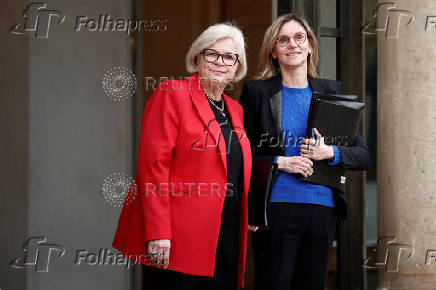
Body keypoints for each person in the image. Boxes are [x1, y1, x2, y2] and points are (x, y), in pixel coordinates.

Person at [113, 23, 253, 290]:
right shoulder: (172, 94)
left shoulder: (235, 110)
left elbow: (236, 167)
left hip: (225, 238)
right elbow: (153, 168)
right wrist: (157, 232)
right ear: (197, 58)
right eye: (211, 54)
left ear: (237, 67)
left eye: (229, 57)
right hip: (177, 241)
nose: (220, 62)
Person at [240, 14, 371, 290]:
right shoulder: (257, 93)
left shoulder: (331, 92)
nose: (292, 45)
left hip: (322, 209)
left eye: (299, 38)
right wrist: (280, 161)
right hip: (276, 207)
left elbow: (362, 154)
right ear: (273, 51)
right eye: (283, 40)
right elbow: (241, 152)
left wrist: (329, 152)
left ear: (310, 45)